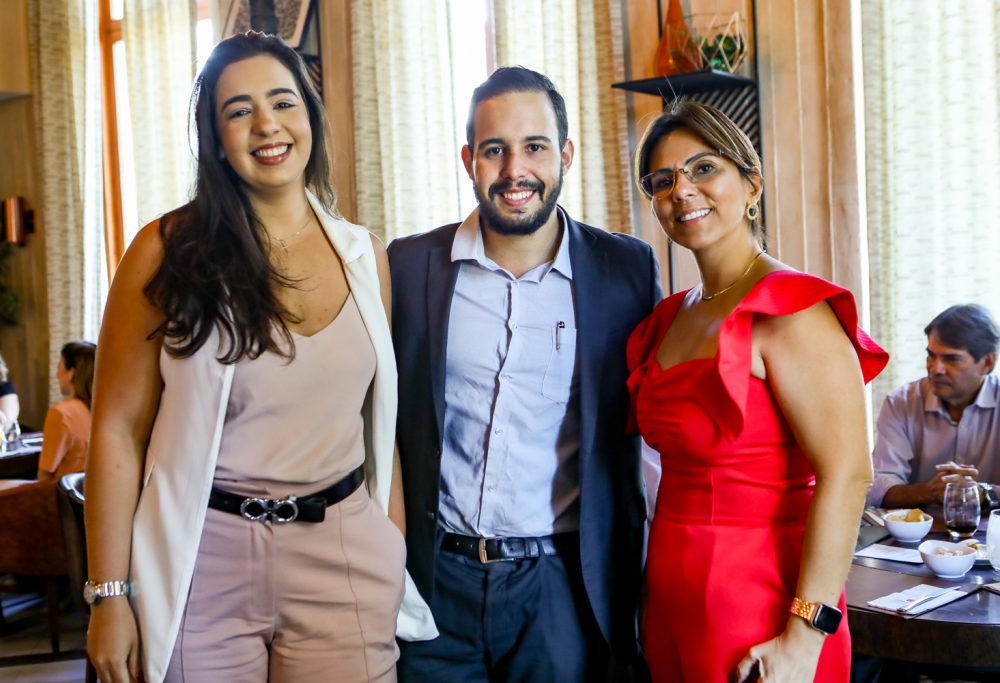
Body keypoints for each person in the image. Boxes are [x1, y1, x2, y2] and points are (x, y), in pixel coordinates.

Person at [84, 32, 434, 683]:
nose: (266, 124)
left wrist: (390, 553)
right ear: (215, 137)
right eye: (239, 110)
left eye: (283, 102)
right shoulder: (163, 251)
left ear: (310, 116)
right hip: (203, 557)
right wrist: (109, 594)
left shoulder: (365, 257)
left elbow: (375, 431)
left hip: (344, 552)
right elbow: (115, 430)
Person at [390, 66, 662, 682]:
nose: (515, 170)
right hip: (434, 584)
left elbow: (649, 436)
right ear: (469, 160)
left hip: (562, 588)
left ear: (565, 154)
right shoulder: (408, 267)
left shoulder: (626, 272)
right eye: (495, 150)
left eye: (535, 146)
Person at [625, 101, 888, 682]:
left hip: (763, 607)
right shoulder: (667, 318)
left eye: (702, 168)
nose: (682, 190)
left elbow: (849, 474)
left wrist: (804, 634)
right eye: (662, 180)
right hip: (671, 600)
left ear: (752, 185)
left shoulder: (792, 310)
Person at [0, 340, 96, 638]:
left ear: (71, 372)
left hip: (56, 508)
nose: (56, 374)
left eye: (59, 367)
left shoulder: (62, 413)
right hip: (84, 509)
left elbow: (44, 476)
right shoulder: (101, 406)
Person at [868, 304, 999, 508]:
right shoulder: (901, 402)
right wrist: (930, 491)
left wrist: (983, 493)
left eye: (951, 359)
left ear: (987, 363)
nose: (935, 368)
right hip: (916, 535)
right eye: (931, 355)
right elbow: (876, 488)